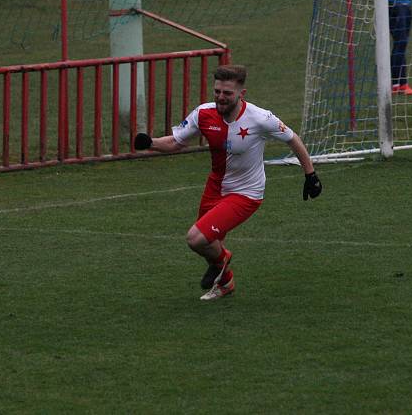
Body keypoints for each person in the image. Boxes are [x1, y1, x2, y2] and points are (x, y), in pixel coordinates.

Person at [133, 64, 322, 301]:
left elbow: (293, 139)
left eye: (227, 93)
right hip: (215, 187)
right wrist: (150, 143)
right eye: (217, 92)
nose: (221, 98)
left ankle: (222, 262)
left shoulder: (261, 118)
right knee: (210, 245)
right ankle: (225, 282)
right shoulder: (203, 114)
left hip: (246, 193)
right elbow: (177, 142)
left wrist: (310, 175)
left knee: (196, 239)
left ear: (241, 94)